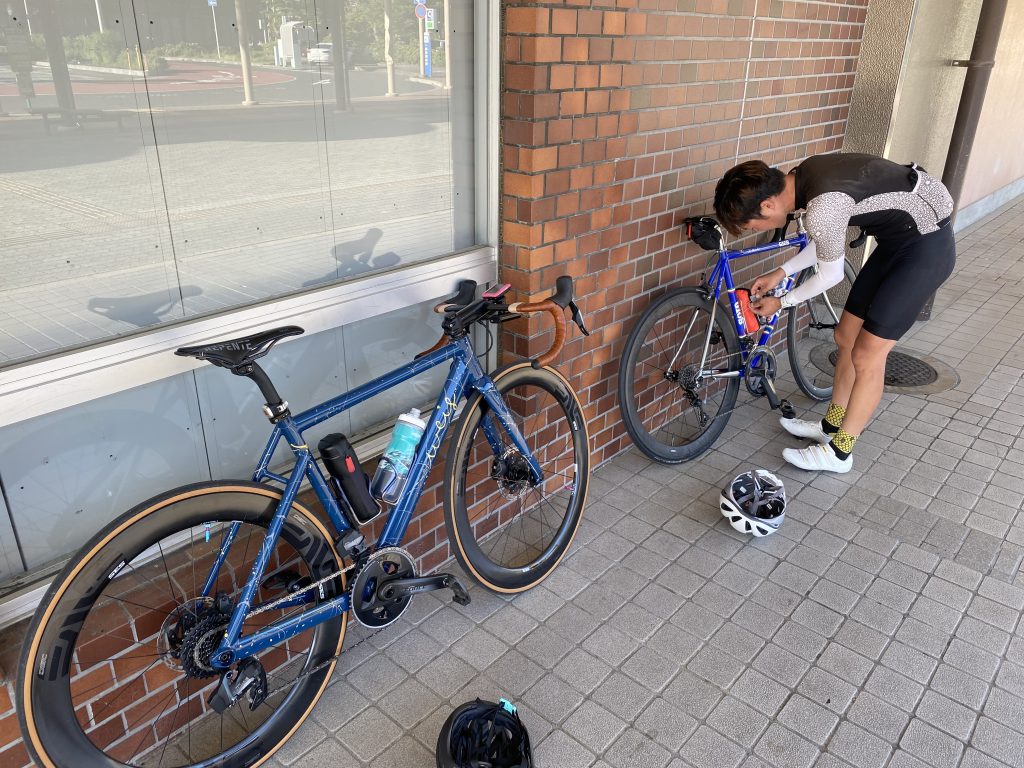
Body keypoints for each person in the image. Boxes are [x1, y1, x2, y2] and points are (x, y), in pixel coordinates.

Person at [713, 153, 956, 473]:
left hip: (927, 248)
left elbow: (831, 274)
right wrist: (781, 273)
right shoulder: (804, 177)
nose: (754, 230)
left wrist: (782, 301)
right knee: (845, 336)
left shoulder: (821, 204)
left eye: (750, 225)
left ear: (768, 205)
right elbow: (828, 237)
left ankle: (840, 452)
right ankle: (831, 426)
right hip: (896, 242)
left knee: (868, 356)